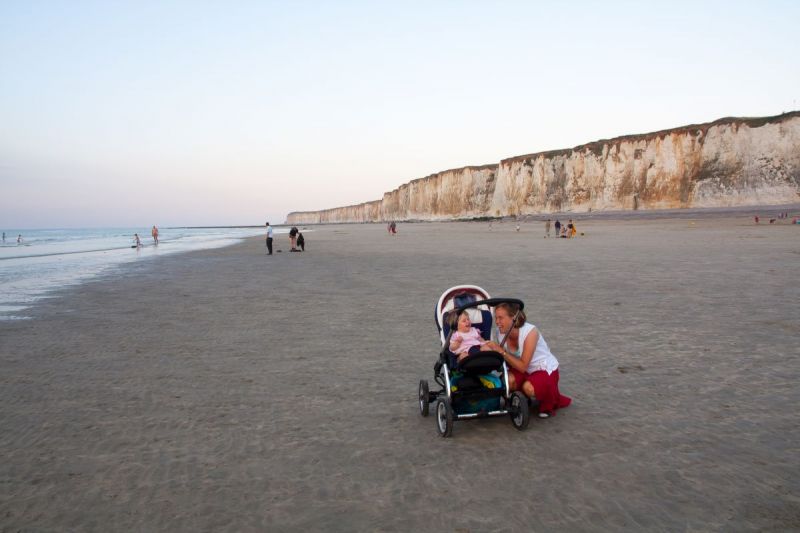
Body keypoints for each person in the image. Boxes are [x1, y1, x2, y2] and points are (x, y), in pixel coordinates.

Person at [482, 302, 571, 417]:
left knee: (528, 388)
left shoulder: (530, 332)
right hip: (521, 369)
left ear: (513, 318)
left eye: (501, 318)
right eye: (496, 318)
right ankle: (523, 397)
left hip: (542, 368)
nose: (497, 322)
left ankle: (546, 397)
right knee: (507, 381)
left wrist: (500, 351)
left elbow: (523, 366)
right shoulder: (500, 333)